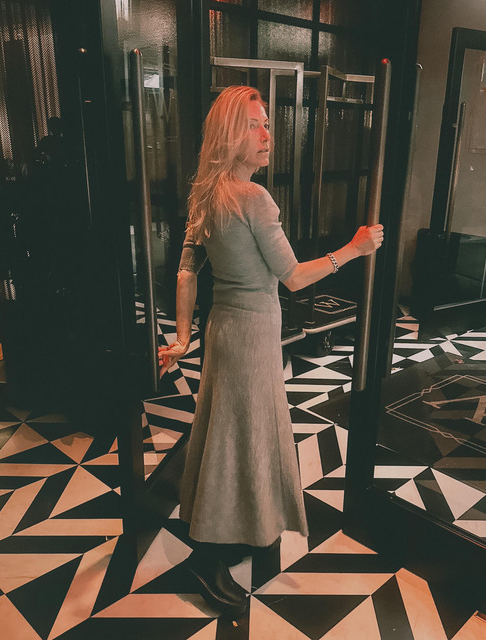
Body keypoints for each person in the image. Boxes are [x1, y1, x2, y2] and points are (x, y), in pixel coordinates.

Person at [158, 85, 383, 617]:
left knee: (226, 434)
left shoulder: (206, 192)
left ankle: (228, 532)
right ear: (229, 134)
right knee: (241, 439)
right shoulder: (253, 198)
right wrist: (354, 249)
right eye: (254, 125)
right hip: (253, 333)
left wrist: (183, 339)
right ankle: (206, 558)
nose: (267, 135)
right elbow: (295, 277)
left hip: (221, 330)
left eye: (266, 124)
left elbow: (187, 272)